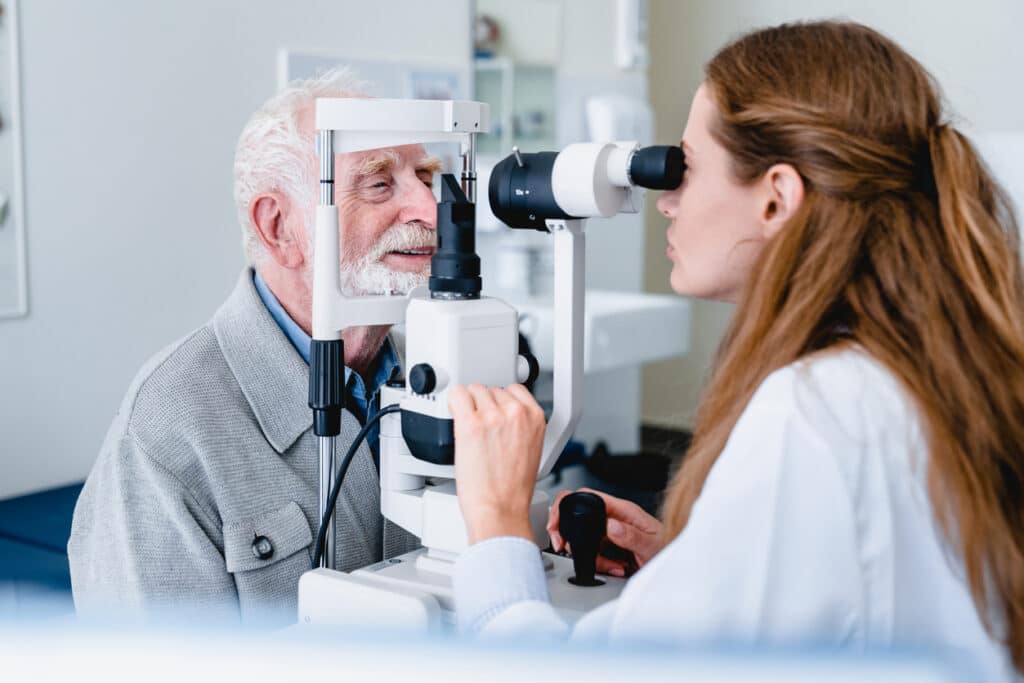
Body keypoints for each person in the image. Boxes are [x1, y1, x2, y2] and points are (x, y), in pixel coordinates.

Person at [448, 21, 1024, 680]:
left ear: (777, 197)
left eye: (684, 168)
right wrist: (704, 559)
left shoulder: (814, 414)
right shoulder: (929, 367)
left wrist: (495, 527)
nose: (666, 201)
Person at [69, 68, 439, 624]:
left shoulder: (438, 373)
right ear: (279, 228)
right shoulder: (167, 430)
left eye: (427, 178)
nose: (431, 212)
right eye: (379, 183)